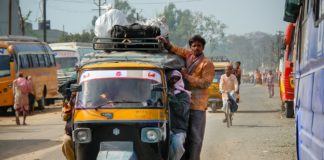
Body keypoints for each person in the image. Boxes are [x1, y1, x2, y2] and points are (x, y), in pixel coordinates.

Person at [158, 35, 214, 160]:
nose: (196, 48)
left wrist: (187, 77)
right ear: (190, 47)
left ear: (203, 48)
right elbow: (175, 49)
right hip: (182, 102)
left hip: (197, 105)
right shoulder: (188, 55)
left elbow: (205, 82)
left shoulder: (207, 64)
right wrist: (166, 43)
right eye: (194, 45)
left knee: (195, 137)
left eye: (199, 46)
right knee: (181, 134)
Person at [167, 70, 190, 160]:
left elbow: (182, 111)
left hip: (178, 129)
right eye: (172, 79)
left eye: (177, 79)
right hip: (165, 128)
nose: (174, 81)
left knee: (177, 144)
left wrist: (172, 99)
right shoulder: (164, 94)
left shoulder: (184, 95)